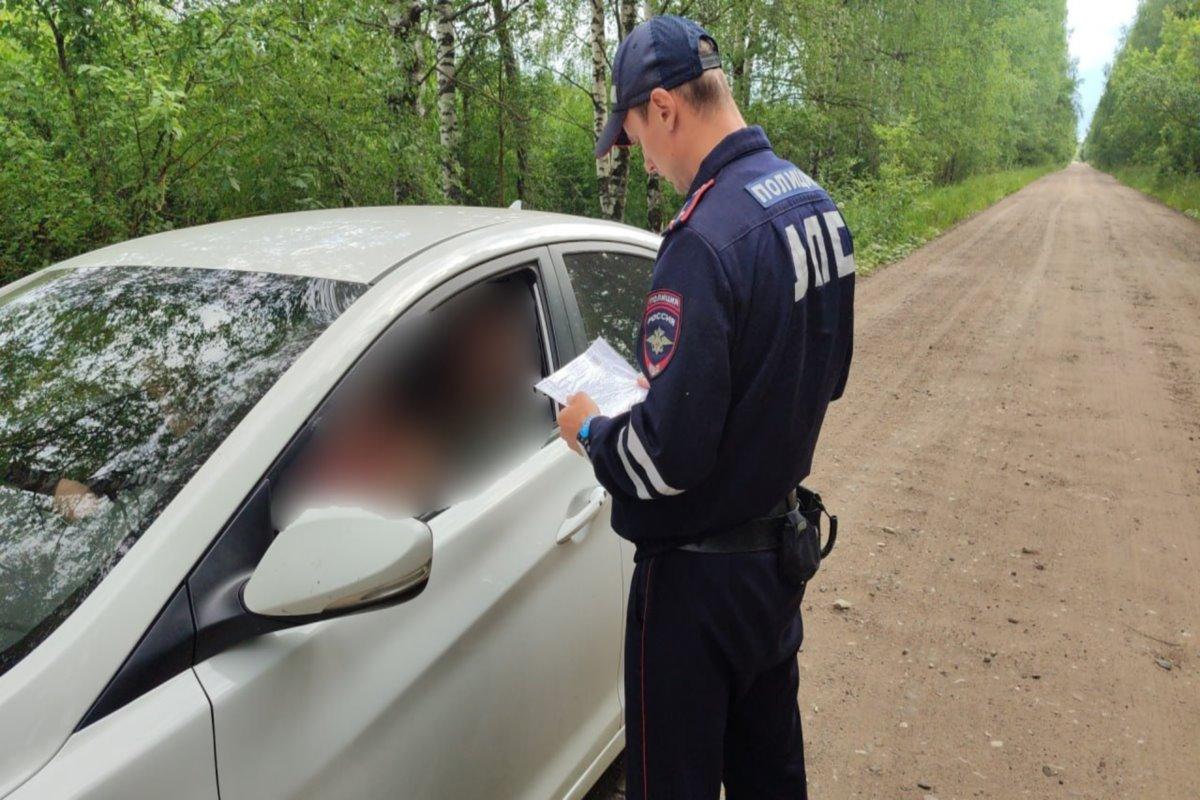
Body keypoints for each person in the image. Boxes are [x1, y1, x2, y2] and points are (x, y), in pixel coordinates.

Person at [556, 14, 855, 800]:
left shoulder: (704, 239)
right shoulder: (814, 206)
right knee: (769, 775)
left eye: (633, 139)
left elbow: (665, 458)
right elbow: (824, 377)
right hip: (774, 564)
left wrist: (589, 427)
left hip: (695, 591)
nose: (646, 165)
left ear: (664, 108)